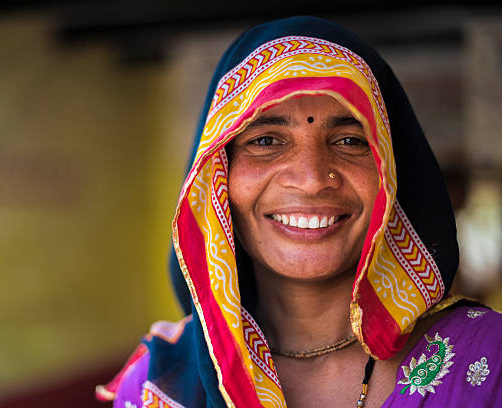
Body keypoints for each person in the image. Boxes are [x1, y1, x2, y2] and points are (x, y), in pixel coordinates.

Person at [96, 16, 501, 407]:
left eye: (349, 140)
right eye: (267, 140)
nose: (311, 179)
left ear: (390, 174)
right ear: (216, 180)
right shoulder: (160, 384)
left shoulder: (487, 362)